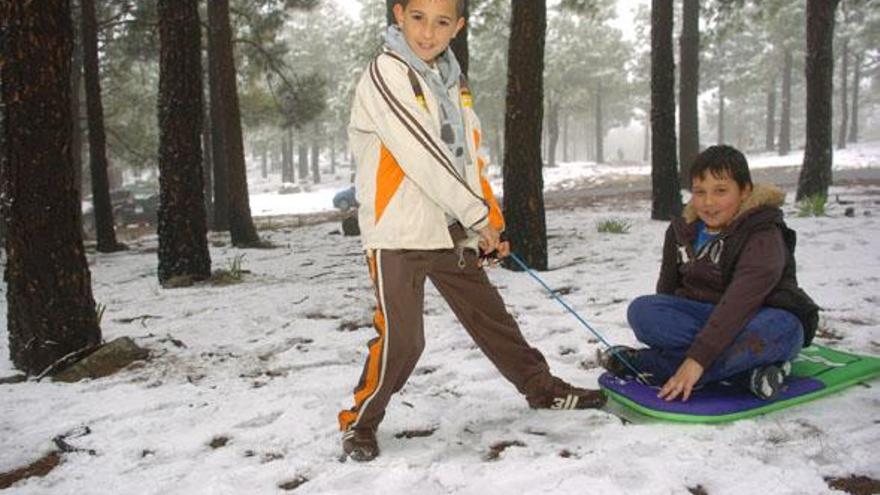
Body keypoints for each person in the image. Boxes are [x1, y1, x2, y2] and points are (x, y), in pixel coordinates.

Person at [339, 0, 606, 462]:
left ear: (457, 27)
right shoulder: (386, 72)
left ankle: (542, 389)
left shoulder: (451, 81)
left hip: (449, 229)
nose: (428, 32)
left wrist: (490, 221)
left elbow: (468, 157)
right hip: (398, 231)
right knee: (404, 339)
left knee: (492, 317)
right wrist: (477, 215)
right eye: (418, 18)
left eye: (442, 22)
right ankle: (360, 422)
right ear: (398, 15)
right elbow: (421, 155)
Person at [601, 145, 818, 402]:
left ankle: (654, 365)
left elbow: (740, 303)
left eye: (721, 191)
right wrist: (666, 331)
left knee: (778, 329)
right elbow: (667, 292)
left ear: (745, 190)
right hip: (703, 318)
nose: (708, 202)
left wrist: (696, 360)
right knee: (642, 311)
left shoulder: (763, 233)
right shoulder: (682, 230)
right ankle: (746, 374)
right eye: (699, 192)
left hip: (761, 319)